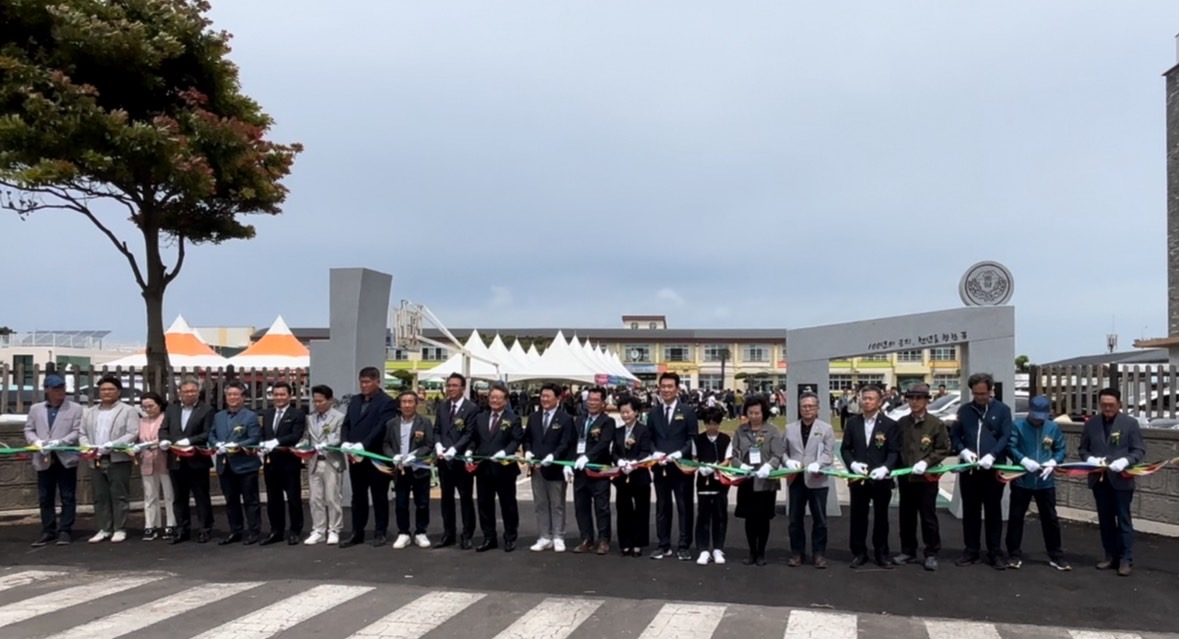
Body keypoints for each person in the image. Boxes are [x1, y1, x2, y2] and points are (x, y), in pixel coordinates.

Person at [1078, 388, 1146, 577]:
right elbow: (1083, 449)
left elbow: (1139, 450)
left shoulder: (1130, 424)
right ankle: (1110, 556)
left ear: (1120, 404)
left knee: (1123, 520)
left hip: (1121, 479)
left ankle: (1126, 559)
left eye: (1111, 405)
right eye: (1104, 405)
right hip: (1099, 480)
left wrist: (1125, 461)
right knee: (1105, 520)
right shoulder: (1091, 424)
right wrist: (1089, 459)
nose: (1107, 408)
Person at [950, 372, 1013, 570]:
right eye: (976, 394)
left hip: (992, 468)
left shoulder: (1002, 410)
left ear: (990, 391)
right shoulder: (964, 411)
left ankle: (995, 551)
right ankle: (971, 550)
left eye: (983, 393)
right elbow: (955, 435)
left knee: (993, 511)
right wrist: (963, 451)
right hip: (970, 470)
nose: (980, 397)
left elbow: (1006, 436)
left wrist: (993, 454)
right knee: (970, 511)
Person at [1005, 395, 1070, 571]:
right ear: (1029, 411)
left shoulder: (1053, 427)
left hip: (1045, 481)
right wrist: (1023, 460)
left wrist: (1054, 462)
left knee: (1050, 519)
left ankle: (1056, 555)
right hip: (1022, 480)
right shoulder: (1017, 425)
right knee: (1016, 518)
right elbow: (1011, 447)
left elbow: (1060, 449)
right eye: (1035, 416)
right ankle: (1013, 554)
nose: (1038, 420)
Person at [840, 385, 900, 568]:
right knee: (858, 516)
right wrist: (852, 464)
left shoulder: (890, 424)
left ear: (879, 402)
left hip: (881, 479)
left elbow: (894, 452)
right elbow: (845, 448)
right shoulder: (852, 423)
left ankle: (881, 552)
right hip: (859, 478)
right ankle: (859, 552)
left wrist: (885, 468)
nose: (866, 401)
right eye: (864, 398)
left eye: (871, 398)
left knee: (881, 516)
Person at [892, 383, 951, 571]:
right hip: (906, 478)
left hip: (926, 479)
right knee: (906, 516)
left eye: (919, 398)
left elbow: (943, 449)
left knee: (928, 517)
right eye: (911, 398)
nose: (914, 402)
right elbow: (896, 449)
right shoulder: (901, 423)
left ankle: (931, 552)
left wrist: (927, 462)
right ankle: (908, 550)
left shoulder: (935, 424)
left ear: (926, 401)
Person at [339, 367, 397, 548]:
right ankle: (357, 531)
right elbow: (346, 424)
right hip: (356, 458)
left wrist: (364, 444)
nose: (363, 386)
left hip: (376, 456)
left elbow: (381, 427)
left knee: (379, 496)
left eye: (367, 382)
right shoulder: (355, 401)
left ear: (377, 382)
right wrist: (345, 441)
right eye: (361, 382)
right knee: (358, 496)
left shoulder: (387, 402)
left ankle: (380, 532)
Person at [24, 374, 84, 547]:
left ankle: (65, 530)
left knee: (67, 495)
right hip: (43, 456)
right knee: (45, 496)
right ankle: (48, 530)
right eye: (56, 388)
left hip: (65, 456)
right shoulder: (36, 409)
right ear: (47, 390)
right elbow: (29, 429)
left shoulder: (75, 408)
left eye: (62, 388)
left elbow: (76, 431)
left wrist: (60, 442)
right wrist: (36, 441)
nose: (61, 391)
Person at [79, 376, 139, 543]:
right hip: (95, 457)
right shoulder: (89, 411)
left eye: (110, 389)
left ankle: (119, 528)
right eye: (103, 389)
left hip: (118, 457)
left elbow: (132, 433)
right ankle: (104, 528)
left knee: (119, 494)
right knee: (100, 495)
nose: (106, 392)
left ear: (119, 392)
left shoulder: (128, 410)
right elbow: (82, 433)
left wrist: (113, 444)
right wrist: (88, 447)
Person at [783, 391, 836, 569]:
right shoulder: (790, 428)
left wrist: (818, 463)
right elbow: (782, 451)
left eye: (810, 406)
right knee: (794, 519)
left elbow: (829, 453)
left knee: (819, 519)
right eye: (804, 406)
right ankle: (797, 553)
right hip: (796, 479)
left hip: (817, 479)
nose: (807, 409)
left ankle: (819, 554)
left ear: (817, 408)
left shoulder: (826, 429)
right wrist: (787, 461)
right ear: (799, 408)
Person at [649, 372, 699, 561]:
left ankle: (684, 545)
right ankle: (663, 544)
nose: (667, 390)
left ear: (677, 389)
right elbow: (650, 437)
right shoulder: (653, 412)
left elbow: (692, 437)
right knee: (662, 506)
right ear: (659, 388)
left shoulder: (687, 411)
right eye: (664, 386)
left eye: (670, 386)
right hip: (660, 466)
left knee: (684, 506)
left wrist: (679, 454)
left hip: (681, 467)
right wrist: (654, 452)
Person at [730, 395, 783, 566]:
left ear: (764, 412)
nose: (753, 416)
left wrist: (769, 467)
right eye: (750, 412)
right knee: (750, 518)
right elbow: (734, 454)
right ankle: (751, 551)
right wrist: (740, 466)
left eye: (757, 413)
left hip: (766, 481)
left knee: (763, 518)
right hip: (747, 480)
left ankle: (761, 553)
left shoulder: (773, 431)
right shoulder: (740, 431)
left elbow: (778, 454)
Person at [161, 377, 215, 544]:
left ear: (198, 392)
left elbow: (208, 433)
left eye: (193, 391)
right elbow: (164, 429)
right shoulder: (172, 409)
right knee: (179, 497)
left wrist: (190, 441)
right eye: (186, 391)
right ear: (180, 393)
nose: (189, 394)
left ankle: (205, 528)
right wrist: (164, 439)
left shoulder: (206, 410)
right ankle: (182, 529)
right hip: (176, 460)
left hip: (197, 459)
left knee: (201, 496)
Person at [208, 382, 262, 545]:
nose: (232, 397)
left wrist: (238, 445)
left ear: (243, 397)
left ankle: (254, 531)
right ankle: (235, 530)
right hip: (225, 465)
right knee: (231, 501)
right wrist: (216, 444)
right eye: (229, 395)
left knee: (250, 500)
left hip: (245, 465)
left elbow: (254, 438)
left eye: (236, 394)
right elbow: (212, 434)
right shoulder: (219, 416)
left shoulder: (250, 416)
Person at [524, 383, 575, 553]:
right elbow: (528, 438)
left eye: (548, 396)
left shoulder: (565, 419)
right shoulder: (534, 417)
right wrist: (528, 451)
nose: (544, 399)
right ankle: (544, 536)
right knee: (540, 503)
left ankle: (558, 536)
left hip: (555, 468)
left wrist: (554, 456)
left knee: (557, 504)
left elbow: (566, 442)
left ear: (558, 399)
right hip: (537, 468)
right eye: (542, 396)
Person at [433, 372, 481, 549]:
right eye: (449, 385)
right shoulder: (443, 406)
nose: (451, 389)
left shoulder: (471, 408)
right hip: (444, 460)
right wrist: (438, 445)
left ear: (463, 388)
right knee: (446, 498)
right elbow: (437, 429)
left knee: (465, 498)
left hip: (461, 461)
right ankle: (448, 533)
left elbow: (470, 433)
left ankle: (467, 534)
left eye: (454, 385)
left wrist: (455, 449)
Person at [383, 390, 435, 550]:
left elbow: (429, 444)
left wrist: (417, 455)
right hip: (400, 469)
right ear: (399, 405)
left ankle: (421, 532)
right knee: (400, 503)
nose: (407, 405)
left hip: (419, 467)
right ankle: (403, 532)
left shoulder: (424, 422)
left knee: (422, 503)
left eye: (410, 402)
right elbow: (386, 444)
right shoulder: (391, 423)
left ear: (416, 404)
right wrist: (393, 456)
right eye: (404, 402)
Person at [474, 383, 522, 552]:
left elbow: (516, 440)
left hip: (504, 468)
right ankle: (489, 537)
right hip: (484, 468)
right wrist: (469, 452)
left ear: (505, 400)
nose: (494, 400)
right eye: (492, 397)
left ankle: (510, 537)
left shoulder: (513, 418)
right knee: (484, 504)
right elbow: (474, 439)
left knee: (507, 504)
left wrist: (505, 452)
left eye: (498, 398)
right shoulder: (480, 417)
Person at [259, 382, 307, 546]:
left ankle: (295, 531)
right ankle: (276, 531)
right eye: (276, 394)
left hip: (289, 463)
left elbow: (295, 435)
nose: (278, 398)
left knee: (293, 498)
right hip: (270, 462)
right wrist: (262, 444)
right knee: (273, 499)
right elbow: (263, 433)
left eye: (282, 394)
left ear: (290, 395)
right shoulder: (268, 413)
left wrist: (277, 442)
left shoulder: (297, 414)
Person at [572, 387, 616, 555]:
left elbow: (604, 443)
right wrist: (570, 463)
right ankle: (586, 538)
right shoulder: (579, 420)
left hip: (599, 470)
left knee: (601, 506)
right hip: (580, 471)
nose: (592, 403)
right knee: (581, 506)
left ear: (603, 402)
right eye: (589, 399)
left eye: (596, 400)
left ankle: (604, 539)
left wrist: (588, 457)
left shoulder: (607, 421)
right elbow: (573, 442)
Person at [302, 384, 345, 545]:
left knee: (332, 497)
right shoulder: (311, 417)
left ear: (330, 400)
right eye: (315, 401)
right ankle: (318, 529)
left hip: (331, 460)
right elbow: (307, 436)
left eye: (321, 401)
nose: (318, 404)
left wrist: (327, 444)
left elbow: (339, 437)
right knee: (315, 498)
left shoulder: (339, 417)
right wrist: (303, 444)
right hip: (314, 461)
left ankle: (334, 529)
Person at [613, 397, 652, 557]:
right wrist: (619, 461)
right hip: (622, 476)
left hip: (640, 475)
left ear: (636, 412)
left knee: (641, 510)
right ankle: (625, 543)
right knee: (623, 510)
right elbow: (614, 452)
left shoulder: (643, 430)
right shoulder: (618, 431)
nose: (625, 415)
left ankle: (638, 543)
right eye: (622, 412)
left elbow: (645, 451)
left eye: (628, 412)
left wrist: (635, 463)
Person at [692, 407, 731, 565]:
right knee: (703, 515)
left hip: (720, 481)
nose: (712, 427)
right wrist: (701, 467)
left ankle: (718, 548)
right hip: (703, 480)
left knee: (720, 515)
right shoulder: (698, 439)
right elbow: (694, 457)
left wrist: (717, 467)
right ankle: (703, 549)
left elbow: (728, 459)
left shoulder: (725, 439)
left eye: (715, 424)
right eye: (708, 424)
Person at [136, 391, 176, 541]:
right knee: (149, 494)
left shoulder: (166, 418)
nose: (148, 409)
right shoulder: (141, 421)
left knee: (169, 494)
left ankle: (171, 523)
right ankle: (150, 524)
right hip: (146, 459)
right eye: (144, 407)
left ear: (159, 405)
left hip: (163, 457)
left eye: (151, 406)